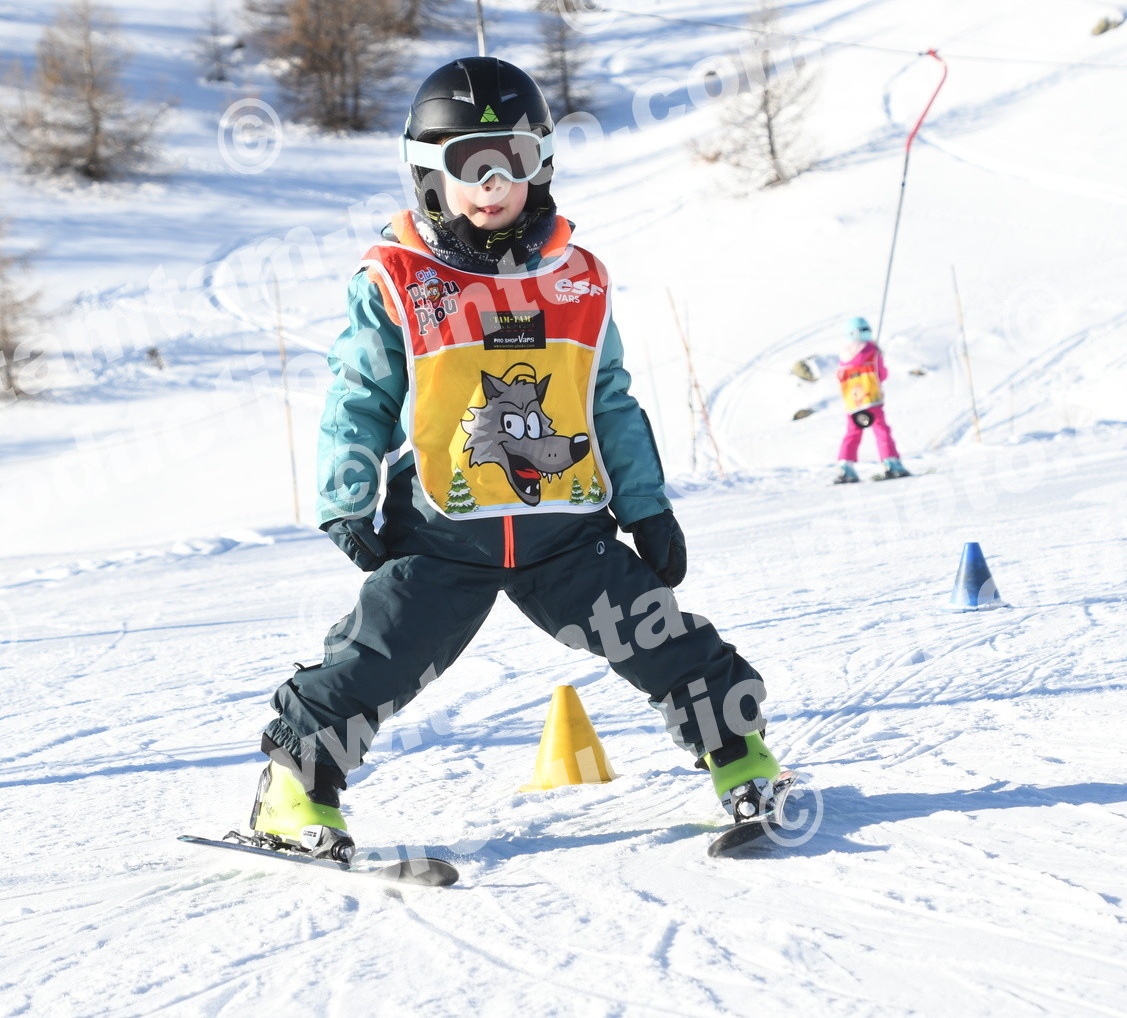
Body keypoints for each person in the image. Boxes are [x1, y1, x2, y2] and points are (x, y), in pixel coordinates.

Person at [244, 57, 783, 861]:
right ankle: (294, 794)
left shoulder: (576, 280)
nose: (494, 184)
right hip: (442, 534)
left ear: (543, 165)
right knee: (376, 658)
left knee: (660, 637)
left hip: (566, 533)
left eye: (515, 161)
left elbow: (608, 400)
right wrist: (347, 495)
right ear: (430, 172)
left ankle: (742, 758)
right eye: (471, 164)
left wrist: (645, 505)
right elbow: (359, 392)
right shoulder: (399, 279)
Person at [833, 316, 910, 484]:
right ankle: (891, 463)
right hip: (871, 399)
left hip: (853, 403)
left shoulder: (843, 355)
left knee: (853, 433)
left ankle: (845, 466)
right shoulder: (872, 350)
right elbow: (881, 373)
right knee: (881, 430)